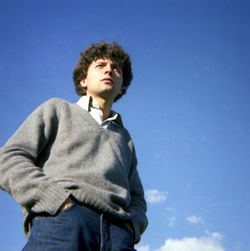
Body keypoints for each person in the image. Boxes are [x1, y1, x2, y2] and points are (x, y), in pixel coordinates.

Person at [0, 41, 148, 250]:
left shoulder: (124, 138)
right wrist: (57, 201)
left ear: (122, 86)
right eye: (100, 65)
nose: (109, 70)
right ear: (83, 80)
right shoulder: (57, 109)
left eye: (116, 68)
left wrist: (131, 227)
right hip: (63, 223)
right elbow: (8, 158)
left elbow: (137, 197)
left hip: (118, 237)